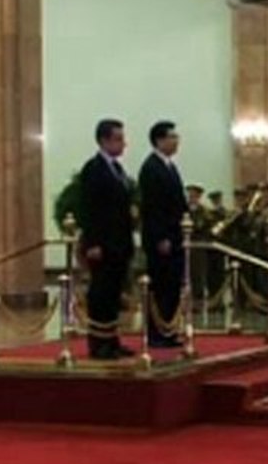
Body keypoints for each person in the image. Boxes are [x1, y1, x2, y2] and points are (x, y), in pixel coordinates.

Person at [77, 118, 136, 360]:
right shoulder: (93, 169)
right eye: (118, 138)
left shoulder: (118, 169)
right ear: (104, 141)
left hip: (118, 244)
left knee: (113, 295)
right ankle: (98, 343)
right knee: (100, 294)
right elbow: (89, 209)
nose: (123, 143)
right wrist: (92, 243)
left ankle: (112, 341)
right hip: (101, 245)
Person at [138, 120, 189, 348]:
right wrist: (161, 237)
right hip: (162, 240)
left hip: (176, 237)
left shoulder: (169, 166)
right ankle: (157, 332)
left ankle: (168, 329)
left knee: (172, 285)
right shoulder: (151, 168)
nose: (176, 141)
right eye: (172, 137)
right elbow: (153, 208)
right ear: (159, 140)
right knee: (161, 285)